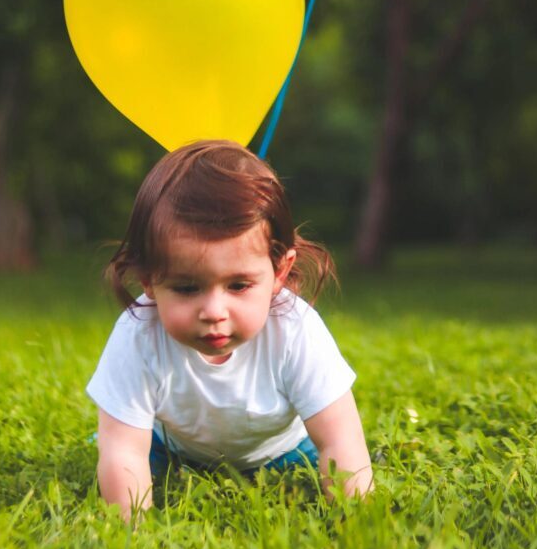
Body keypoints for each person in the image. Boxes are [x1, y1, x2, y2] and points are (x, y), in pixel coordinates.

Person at [86, 139, 374, 522]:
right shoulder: (139, 334)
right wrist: (129, 535)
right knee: (114, 449)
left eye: (238, 286)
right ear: (149, 281)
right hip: (173, 449)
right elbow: (125, 449)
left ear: (279, 272)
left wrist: (357, 523)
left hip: (283, 453)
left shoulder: (294, 329)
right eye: (187, 288)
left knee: (324, 455)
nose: (214, 311)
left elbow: (340, 438)